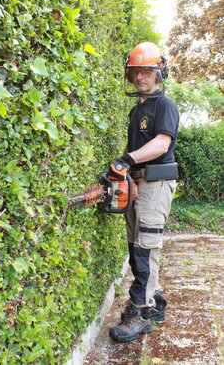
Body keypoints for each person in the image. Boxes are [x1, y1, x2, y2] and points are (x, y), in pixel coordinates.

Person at [108, 42, 179, 342]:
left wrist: (127, 160)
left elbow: (161, 144)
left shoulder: (165, 105)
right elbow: (132, 151)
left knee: (145, 247)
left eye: (147, 71)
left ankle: (140, 312)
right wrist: (120, 174)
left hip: (156, 183)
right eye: (136, 72)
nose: (140, 77)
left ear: (159, 72)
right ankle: (156, 298)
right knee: (137, 243)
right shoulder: (136, 110)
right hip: (139, 183)